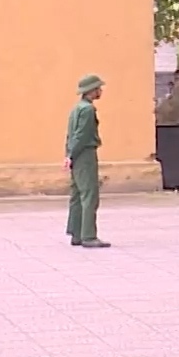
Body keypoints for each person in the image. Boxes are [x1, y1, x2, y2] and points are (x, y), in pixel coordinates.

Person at [64, 74, 107, 248]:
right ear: (92, 91)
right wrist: (73, 153)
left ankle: (76, 232)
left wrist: (68, 154)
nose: (101, 91)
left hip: (75, 153)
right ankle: (88, 235)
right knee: (89, 194)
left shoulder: (76, 109)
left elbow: (71, 135)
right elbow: (82, 135)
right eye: (98, 88)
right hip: (86, 153)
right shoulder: (88, 110)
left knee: (76, 194)